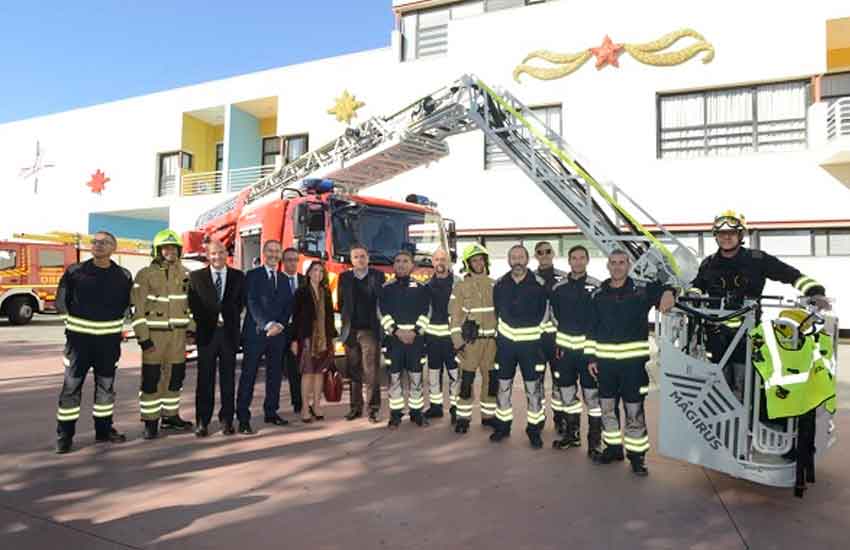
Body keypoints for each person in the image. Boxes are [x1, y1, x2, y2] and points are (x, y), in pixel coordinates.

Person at [690, 210, 828, 400]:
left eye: (732, 233)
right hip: (715, 336)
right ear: (716, 236)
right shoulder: (708, 264)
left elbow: (790, 275)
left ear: (741, 235)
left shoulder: (757, 260)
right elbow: (697, 286)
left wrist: (815, 291)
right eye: (722, 233)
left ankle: (745, 426)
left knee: (744, 386)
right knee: (718, 387)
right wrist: (689, 295)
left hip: (747, 336)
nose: (726, 237)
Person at [586, 249, 676, 476]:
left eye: (621, 263)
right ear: (608, 265)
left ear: (628, 265)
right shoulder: (598, 294)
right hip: (605, 364)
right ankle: (613, 448)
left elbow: (667, 285)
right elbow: (591, 329)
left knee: (634, 410)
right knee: (607, 408)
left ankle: (637, 457)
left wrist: (669, 291)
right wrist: (590, 358)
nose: (617, 267)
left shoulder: (641, 291)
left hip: (633, 366)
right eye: (613, 263)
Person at [54, 231, 133, 454]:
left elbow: (128, 306)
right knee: (71, 388)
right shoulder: (75, 272)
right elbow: (61, 303)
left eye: (104, 242)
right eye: (95, 242)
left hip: (108, 345)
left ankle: (104, 431)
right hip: (78, 345)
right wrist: (72, 326)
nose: (98, 245)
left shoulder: (123, 275)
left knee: (106, 389)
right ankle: (64, 436)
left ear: (113, 248)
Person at [132, 229, 196, 440]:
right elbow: (137, 308)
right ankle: (150, 421)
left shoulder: (186, 273)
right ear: (157, 251)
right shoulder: (145, 274)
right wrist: (143, 337)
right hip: (154, 337)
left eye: (174, 248)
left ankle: (170, 417)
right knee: (152, 379)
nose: (170, 251)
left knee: (175, 378)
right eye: (165, 248)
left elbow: (191, 306)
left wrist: (192, 331)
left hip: (178, 337)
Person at [491, 244, 549, 449]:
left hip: (531, 346)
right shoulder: (499, 285)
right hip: (506, 346)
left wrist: (535, 333)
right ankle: (502, 426)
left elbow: (546, 313)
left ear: (527, 260)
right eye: (513, 257)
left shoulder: (539, 284)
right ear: (509, 261)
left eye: (520, 257)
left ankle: (534, 429)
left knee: (533, 390)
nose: (517, 260)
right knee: (503, 387)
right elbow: (496, 313)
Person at [188, 239, 245, 437]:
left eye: (221, 252)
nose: (217, 257)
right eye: (213, 253)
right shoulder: (196, 277)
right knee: (205, 380)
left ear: (226, 254)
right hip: (207, 335)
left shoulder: (238, 277)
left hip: (228, 334)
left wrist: (227, 318)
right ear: (207, 255)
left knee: (228, 379)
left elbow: (240, 304)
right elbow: (193, 305)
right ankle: (202, 421)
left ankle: (227, 420)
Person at [550, 245, 602, 456]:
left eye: (582, 258)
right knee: (567, 395)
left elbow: (600, 320)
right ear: (569, 261)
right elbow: (553, 316)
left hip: (588, 354)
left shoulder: (597, 287)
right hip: (565, 354)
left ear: (587, 261)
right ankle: (572, 435)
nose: (578, 261)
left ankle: (594, 442)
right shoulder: (558, 288)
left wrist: (595, 352)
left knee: (593, 399)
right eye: (574, 258)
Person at [237, 240, 293, 434]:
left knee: (274, 375)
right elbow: (252, 303)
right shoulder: (252, 276)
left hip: (277, 335)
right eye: (270, 251)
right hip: (256, 334)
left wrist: (280, 325)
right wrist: (268, 324)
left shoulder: (284, 279)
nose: (274, 254)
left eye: (277, 251)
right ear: (263, 252)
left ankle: (271, 411)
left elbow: (288, 306)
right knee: (249, 375)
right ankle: (243, 417)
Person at [448, 243, 498, 434]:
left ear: (486, 261)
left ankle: (488, 417)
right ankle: (463, 418)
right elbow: (454, 317)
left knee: (491, 382)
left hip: (491, 342)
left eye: (481, 259)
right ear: (468, 263)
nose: (478, 263)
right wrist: (458, 342)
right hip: (470, 343)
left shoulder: (495, 284)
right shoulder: (460, 286)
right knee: (466, 383)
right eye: (474, 260)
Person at [379, 250, 431, 429]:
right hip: (394, 341)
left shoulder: (422, 288)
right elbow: (382, 313)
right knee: (394, 379)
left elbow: (427, 312)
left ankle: (417, 413)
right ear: (394, 266)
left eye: (405, 261)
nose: (401, 264)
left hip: (415, 341)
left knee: (416, 378)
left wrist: (415, 331)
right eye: (398, 261)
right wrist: (396, 331)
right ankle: (395, 414)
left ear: (412, 265)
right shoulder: (386, 288)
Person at [338, 244, 386, 423]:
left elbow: (382, 301)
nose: (360, 259)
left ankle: (373, 409)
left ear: (368, 258)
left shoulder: (378, 276)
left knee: (371, 371)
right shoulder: (344, 278)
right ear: (351, 260)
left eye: (362, 256)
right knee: (353, 371)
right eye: (356, 257)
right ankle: (355, 407)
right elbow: (341, 303)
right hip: (351, 331)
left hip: (370, 331)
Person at [291, 261, 338, 422]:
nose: (318, 273)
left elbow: (330, 316)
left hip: (324, 338)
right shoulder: (301, 292)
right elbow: (295, 318)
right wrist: (294, 340)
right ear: (309, 273)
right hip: (307, 338)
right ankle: (305, 407)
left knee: (319, 373)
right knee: (307, 373)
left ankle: (317, 405)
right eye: (315, 270)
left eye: (321, 271)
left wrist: (332, 338)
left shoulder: (326, 292)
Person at [533, 240, 568, 434]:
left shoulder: (563, 278)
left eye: (547, 251)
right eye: (540, 252)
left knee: (559, 382)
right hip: (537, 341)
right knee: (536, 383)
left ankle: (560, 419)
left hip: (557, 340)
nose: (544, 255)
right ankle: (536, 420)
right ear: (536, 255)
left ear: (553, 253)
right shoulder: (529, 278)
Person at [423, 248, 459, 421]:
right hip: (433, 338)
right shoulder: (427, 286)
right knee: (434, 373)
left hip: (453, 338)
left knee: (454, 373)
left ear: (449, 261)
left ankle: (455, 407)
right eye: (437, 259)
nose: (440, 263)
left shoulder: (458, 283)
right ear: (432, 262)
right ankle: (436, 407)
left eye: (443, 259)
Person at [280, 248, 306, 415]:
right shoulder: (276, 280)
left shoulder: (304, 280)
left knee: (298, 369)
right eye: (289, 260)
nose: (292, 263)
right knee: (278, 369)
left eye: (295, 260)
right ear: (283, 262)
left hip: (298, 330)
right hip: (280, 329)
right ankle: (272, 408)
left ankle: (299, 403)